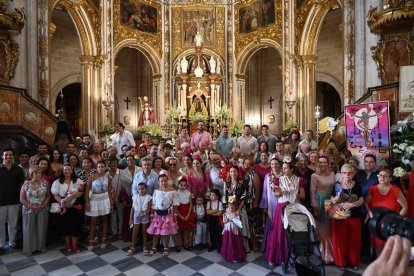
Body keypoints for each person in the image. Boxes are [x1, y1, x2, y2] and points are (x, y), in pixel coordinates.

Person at [265, 157, 305, 266]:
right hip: (282, 207)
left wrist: (293, 192)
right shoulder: (279, 179)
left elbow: (303, 196)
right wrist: (282, 191)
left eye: (286, 168)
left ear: (292, 169)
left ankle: (293, 257)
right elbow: (276, 194)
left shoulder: (299, 180)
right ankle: (276, 257)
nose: (283, 170)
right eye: (283, 168)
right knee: (278, 232)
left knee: (292, 233)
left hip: (294, 207)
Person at [365, 168, 407, 256]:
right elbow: (366, 202)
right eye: (380, 175)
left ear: (390, 178)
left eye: (385, 176)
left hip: (390, 225)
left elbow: (405, 207)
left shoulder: (396, 191)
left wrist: (397, 220)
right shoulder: (373, 189)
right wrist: (369, 212)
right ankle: (379, 265)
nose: (382, 177)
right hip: (376, 223)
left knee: (390, 247)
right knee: (377, 246)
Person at [331, 164, 364, 270]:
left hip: (355, 216)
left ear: (353, 173)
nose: (347, 175)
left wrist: (352, 204)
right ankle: (341, 263)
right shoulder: (337, 185)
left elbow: (362, 200)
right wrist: (336, 200)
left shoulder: (357, 185)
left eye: (349, 172)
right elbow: (332, 201)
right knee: (340, 240)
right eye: (344, 173)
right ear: (341, 174)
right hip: (340, 217)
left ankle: (353, 262)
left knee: (354, 240)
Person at [51, 163, 84, 253]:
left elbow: (81, 192)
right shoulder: (57, 182)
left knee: (75, 226)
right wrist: (63, 203)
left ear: (72, 170)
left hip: (75, 207)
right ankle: (67, 244)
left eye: (69, 169)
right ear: (62, 171)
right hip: (63, 207)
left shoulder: (77, 181)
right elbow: (55, 194)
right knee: (64, 226)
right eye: (65, 170)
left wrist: (72, 196)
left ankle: (74, 245)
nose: (67, 171)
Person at [20, 165, 50, 257]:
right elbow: (22, 199)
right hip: (29, 209)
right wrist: (30, 206)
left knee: (41, 228)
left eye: (39, 173)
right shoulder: (26, 184)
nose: (37, 174)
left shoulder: (45, 183)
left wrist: (44, 204)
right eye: (35, 173)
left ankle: (40, 247)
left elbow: (48, 195)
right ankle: (28, 249)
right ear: (31, 174)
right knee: (29, 229)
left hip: (42, 208)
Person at [147, 173, 179, 256]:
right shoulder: (156, 191)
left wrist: (175, 215)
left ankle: (166, 248)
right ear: (159, 182)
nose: (163, 183)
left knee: (166, 232)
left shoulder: (173, 191)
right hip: (157, 215)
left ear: (167, 181)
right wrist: (151, 214)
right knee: (156, 232)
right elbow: (153, 204)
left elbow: (175, 204)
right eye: (161, 181)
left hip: (167, 215)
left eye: (165, 181)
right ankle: (154, 247)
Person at [310, 155, 335, 263]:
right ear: (318, 163)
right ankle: (323, 255)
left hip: (331, 202)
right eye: (320, 162)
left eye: (324, 162)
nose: (322, 164)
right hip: (320, 202)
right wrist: (314, 207)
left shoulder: (333, 174)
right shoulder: (314, 176)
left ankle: (332, 254)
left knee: (330, 228)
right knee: (322, 229)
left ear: (328, 163)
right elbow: (312, 192)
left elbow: (336, 189)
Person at [354, 153, 379, 257]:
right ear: (363, 163)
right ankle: (363, 250)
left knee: (372, 229)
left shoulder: (378, 175)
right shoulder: (358, 175)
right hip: (359, 207)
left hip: (373, 207)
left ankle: (373, 252)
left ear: (375, 163)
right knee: (361, 229)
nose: (368, 164)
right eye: (366, 162)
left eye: (371, 162)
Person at [85, 161, 113, 250]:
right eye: (99, 167)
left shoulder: (107, 177)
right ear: (96, 168)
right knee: (93, 221)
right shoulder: (92, 176)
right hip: (94, 200)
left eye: (102, 167)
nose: (101, 168)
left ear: (105, 168)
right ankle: (91, 241)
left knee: (105, 219)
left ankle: (104, 239)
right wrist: (87, 202)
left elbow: (109, 191)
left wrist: (111, 203)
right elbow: (87, 190)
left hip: (105, 199)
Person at [0, 147, 25, 250]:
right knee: (0, 224)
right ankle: (1, 243)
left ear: (13, 156)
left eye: (10, 155)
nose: (8, 156)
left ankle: (12, 242)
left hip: (15, 201)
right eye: (6, 155)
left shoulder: (18, 169)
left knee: (13, 224)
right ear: (2, 156)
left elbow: (22, 185)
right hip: (0, 202)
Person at [222, 165, 251, 252]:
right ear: (229, 173)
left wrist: (238, 210)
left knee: (239, 228)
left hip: (239, 208)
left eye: (235, 171)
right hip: (229, 209)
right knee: (229, 228)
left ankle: (241, 249)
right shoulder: (226, 183)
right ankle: (230, 249)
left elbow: (243, 198)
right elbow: (224, 197)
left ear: (238, 173)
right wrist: (227, 210)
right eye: (231, 171)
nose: (233, 173)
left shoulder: (242, 183)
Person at [260, 157, 282, 252]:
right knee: (271, 225)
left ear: (280, 165)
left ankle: (279, 248)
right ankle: (270, 249)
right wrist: (264, 205)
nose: (274, 166)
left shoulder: (283, 176)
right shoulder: (267, 176)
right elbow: (265, 192)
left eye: (276, 164)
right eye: (272, 164)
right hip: (271, 204)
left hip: (281, 203)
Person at [119, 155, 143, 241]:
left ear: (134, 160)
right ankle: (128, 236)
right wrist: (124, 198)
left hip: (140, 196)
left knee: (139, 216)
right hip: (128, 196)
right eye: (128, 160)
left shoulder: (140, 169)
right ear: (126, 161)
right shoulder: (123, 172)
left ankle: (139, 236)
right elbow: (123, 186)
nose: (130, 161)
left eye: (131, 159)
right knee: (128, 217)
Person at [128, 182, 152, 256]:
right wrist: (130, 218)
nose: (141, 190)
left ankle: (145, 247)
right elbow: (132, 208)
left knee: (144, 231)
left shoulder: (148, 197)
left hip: (145, 215)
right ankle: (132, 247)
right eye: (139, 189)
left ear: (145, 189)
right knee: (135, 231)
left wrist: (145, 213)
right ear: (137, 190)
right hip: (136, 214)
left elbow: (149, 208)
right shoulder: (135, 197)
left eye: (142, 189)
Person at [220, 195, 246, 263]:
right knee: (229, 242)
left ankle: (235, 256)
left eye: (233, 208)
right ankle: (228, 255)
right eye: (230, 208)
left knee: (235, 242)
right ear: (228, 207)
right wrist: (227, 220)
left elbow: (238, 222)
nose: (231, 209)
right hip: (228, 229)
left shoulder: (237, 213)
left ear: (235, 207)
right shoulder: (226, 213)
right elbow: (224, 222)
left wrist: (234, 218)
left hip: (235, 230)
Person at [242, 158, 261, 252]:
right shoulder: (240, 173)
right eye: (245, 163)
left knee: (252, 223)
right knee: (244, 222)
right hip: (242, 202)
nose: (247, 165)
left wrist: (256, 202)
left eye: (249, 163)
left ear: (251, 165)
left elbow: (257, 190)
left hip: (251, 202)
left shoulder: (254, 175)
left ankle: (254, 242)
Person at [176, 176, 195, 250]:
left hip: (187, 212)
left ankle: (186, 243)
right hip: (179, 212)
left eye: (184, 185)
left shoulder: (188, 193)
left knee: (186, 229)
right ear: (178, 185)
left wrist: (187, 215)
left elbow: (190, 205)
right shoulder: (176, 193)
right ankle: (179, 244)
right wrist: (180, 215)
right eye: (181, 185)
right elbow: (176, 206)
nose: (183, 187)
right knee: (178, 229)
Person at [107, 157, 122, 239]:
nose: (113, 165)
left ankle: (120, 232)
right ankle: (114, 232)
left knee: (121, 215)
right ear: (109, 164)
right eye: (111, 163)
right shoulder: (106, 174)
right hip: (110, 198)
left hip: (120, 198)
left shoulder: (121, 172)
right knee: (113, 215)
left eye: (115, 163)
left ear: (117, 164)